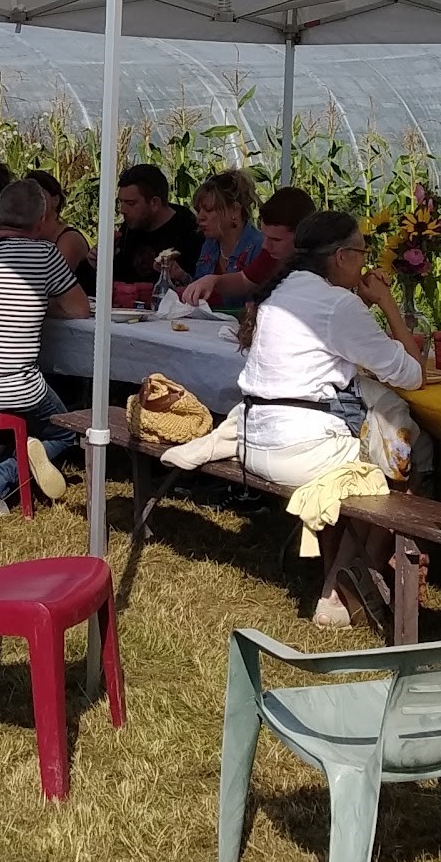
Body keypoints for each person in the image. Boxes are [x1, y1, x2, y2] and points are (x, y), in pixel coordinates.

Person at [235, 209, 423, 626]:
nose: (364, 260)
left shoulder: (283, 291)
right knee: (401, 462)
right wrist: (387, 302)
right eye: (361, 251)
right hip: (297, 448)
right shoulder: (337, 304)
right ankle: (340, 591)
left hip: (252, 440)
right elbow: (412, 373)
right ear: (341, 257)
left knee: (370, 445)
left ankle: (340, 576)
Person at [0, 179, 93, 514]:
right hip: (14, 387)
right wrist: (40, 301)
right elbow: (79, 309)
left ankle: (17, 451)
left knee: (32, 409)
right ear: (40, 223)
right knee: (67, 430)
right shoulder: (46, 254)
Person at [190, 184, 313, 308]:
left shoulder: (320, 268)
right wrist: (214, 281)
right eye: (264, 236)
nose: (265, 245)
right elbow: (244, 281)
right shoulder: (270, 255)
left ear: (302, 237)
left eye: (276, 240)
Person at [169, 169, 263, 309]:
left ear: (235, 210)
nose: (200, 217)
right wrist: (181, 276)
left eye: (208, 210)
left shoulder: (259, 247)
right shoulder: (210, 245)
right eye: (198, 210)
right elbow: (203, 297)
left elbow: (257, 308)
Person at [113, 162, 202, 289]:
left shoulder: (189, 231)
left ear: (155, 202)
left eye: (130, 203)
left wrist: (181, 276)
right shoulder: (129, 229)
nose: (122, 209)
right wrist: (98, 262)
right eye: (121, 202)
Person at [25, 167, 98, 293]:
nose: (31, 199)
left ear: (55, 200)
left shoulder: (69, 238)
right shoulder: (28, 235)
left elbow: (53, 280)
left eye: (38, 193)